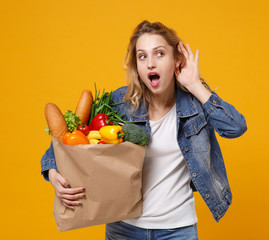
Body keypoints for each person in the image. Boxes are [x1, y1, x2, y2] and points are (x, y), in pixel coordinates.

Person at [41, 20, 247, 240]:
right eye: (142, 56)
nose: (150, 63)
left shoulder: (195, 104)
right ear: (137, 66)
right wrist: (53, 174)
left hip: (178, 229)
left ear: (177, 60)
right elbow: (71, 140)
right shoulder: (120, 102)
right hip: (124, 227)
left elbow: (235, 127)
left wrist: (195, 85)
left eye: (159, 54)